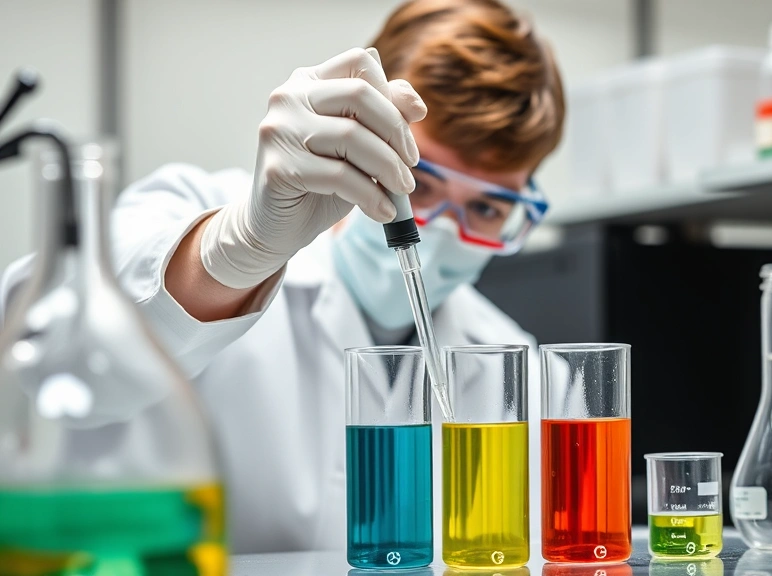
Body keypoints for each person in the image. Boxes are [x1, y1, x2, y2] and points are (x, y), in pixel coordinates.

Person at [1, 0, 564, 554]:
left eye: (487, 208)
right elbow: (40, 348)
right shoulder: (201, 213)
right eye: (417, 180)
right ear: (363, 130)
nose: (437, 231)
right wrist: (237, 253)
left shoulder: (532, 380)